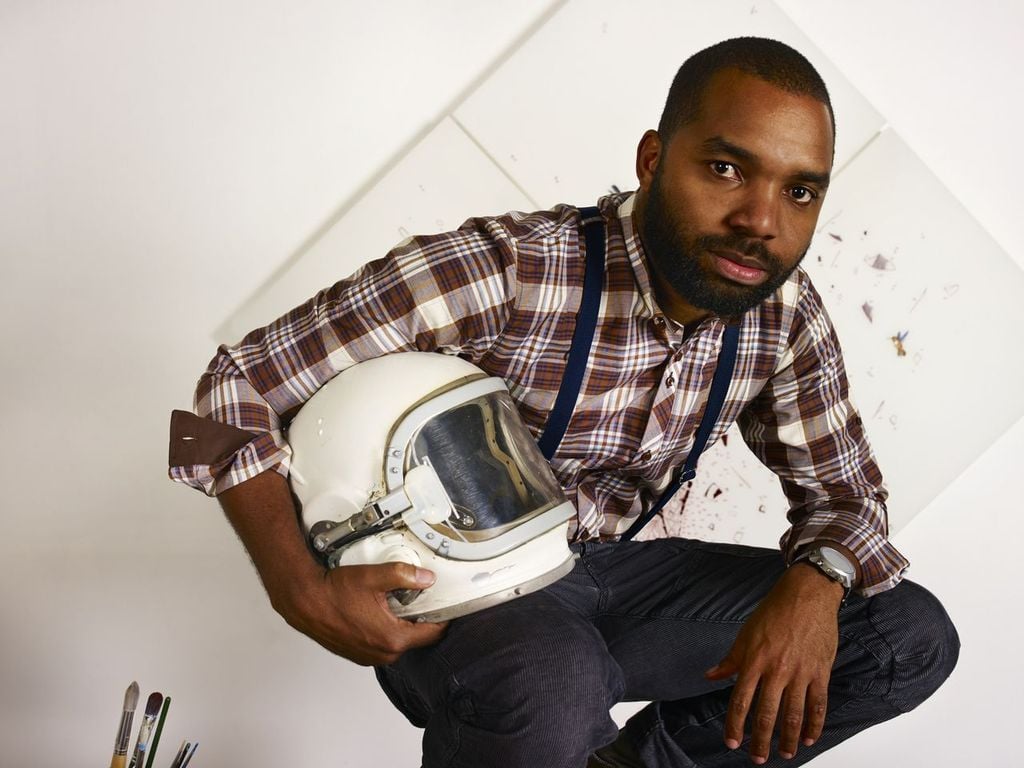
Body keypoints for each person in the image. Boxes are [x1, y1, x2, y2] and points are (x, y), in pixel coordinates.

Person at [169, 37, 958, 767]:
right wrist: (297, 586)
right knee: (555, 678)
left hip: (626, 583)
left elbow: (847, 496)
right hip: (472, 601)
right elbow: (222, 397)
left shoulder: (781, 317)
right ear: (653, 159)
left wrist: (815, 585)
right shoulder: (509, 270)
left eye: (799, 192)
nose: (761, 221)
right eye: (725, 168)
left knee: (907, 636)